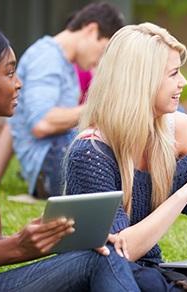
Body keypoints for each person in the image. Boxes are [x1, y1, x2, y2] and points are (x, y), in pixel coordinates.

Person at [0, 22, 139, 291]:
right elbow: (3, 250)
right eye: (9, 73)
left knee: (100, 253)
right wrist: (15, 248)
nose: (19, 83)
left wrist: (54, 236)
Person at [64, 22, 187, 290]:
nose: (184, 82)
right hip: (106, 278)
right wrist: (183, 194)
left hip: (151, 272)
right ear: (140, 81)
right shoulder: (90, 152)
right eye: (173, 74)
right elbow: (120, 252)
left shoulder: (179, 128)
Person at [9, 2, 124, 199]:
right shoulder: (47, 56)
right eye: (103, 49)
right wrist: (101, 107)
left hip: (58, 154)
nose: (100, 60)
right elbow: (41, 122)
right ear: (91, 30)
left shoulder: (66, 62)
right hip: (49, 162)